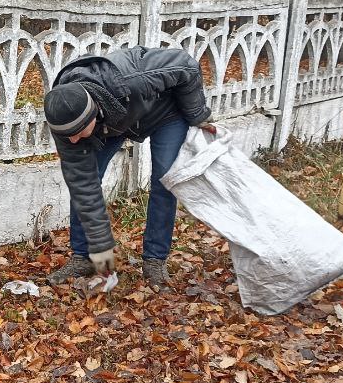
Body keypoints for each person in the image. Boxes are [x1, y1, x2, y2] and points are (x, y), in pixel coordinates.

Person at [43, 46, 216, 290]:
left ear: (91, 114)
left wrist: (197, 115)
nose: (71, 141)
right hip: (115, 121)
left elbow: (185, 66)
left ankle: (155, 259)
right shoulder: (63, 115)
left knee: (164, 179)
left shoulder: (133, 78)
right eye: (65, 136)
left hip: (164, 113)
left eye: (75, 134)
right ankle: (83, 257)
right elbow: (85, 189)